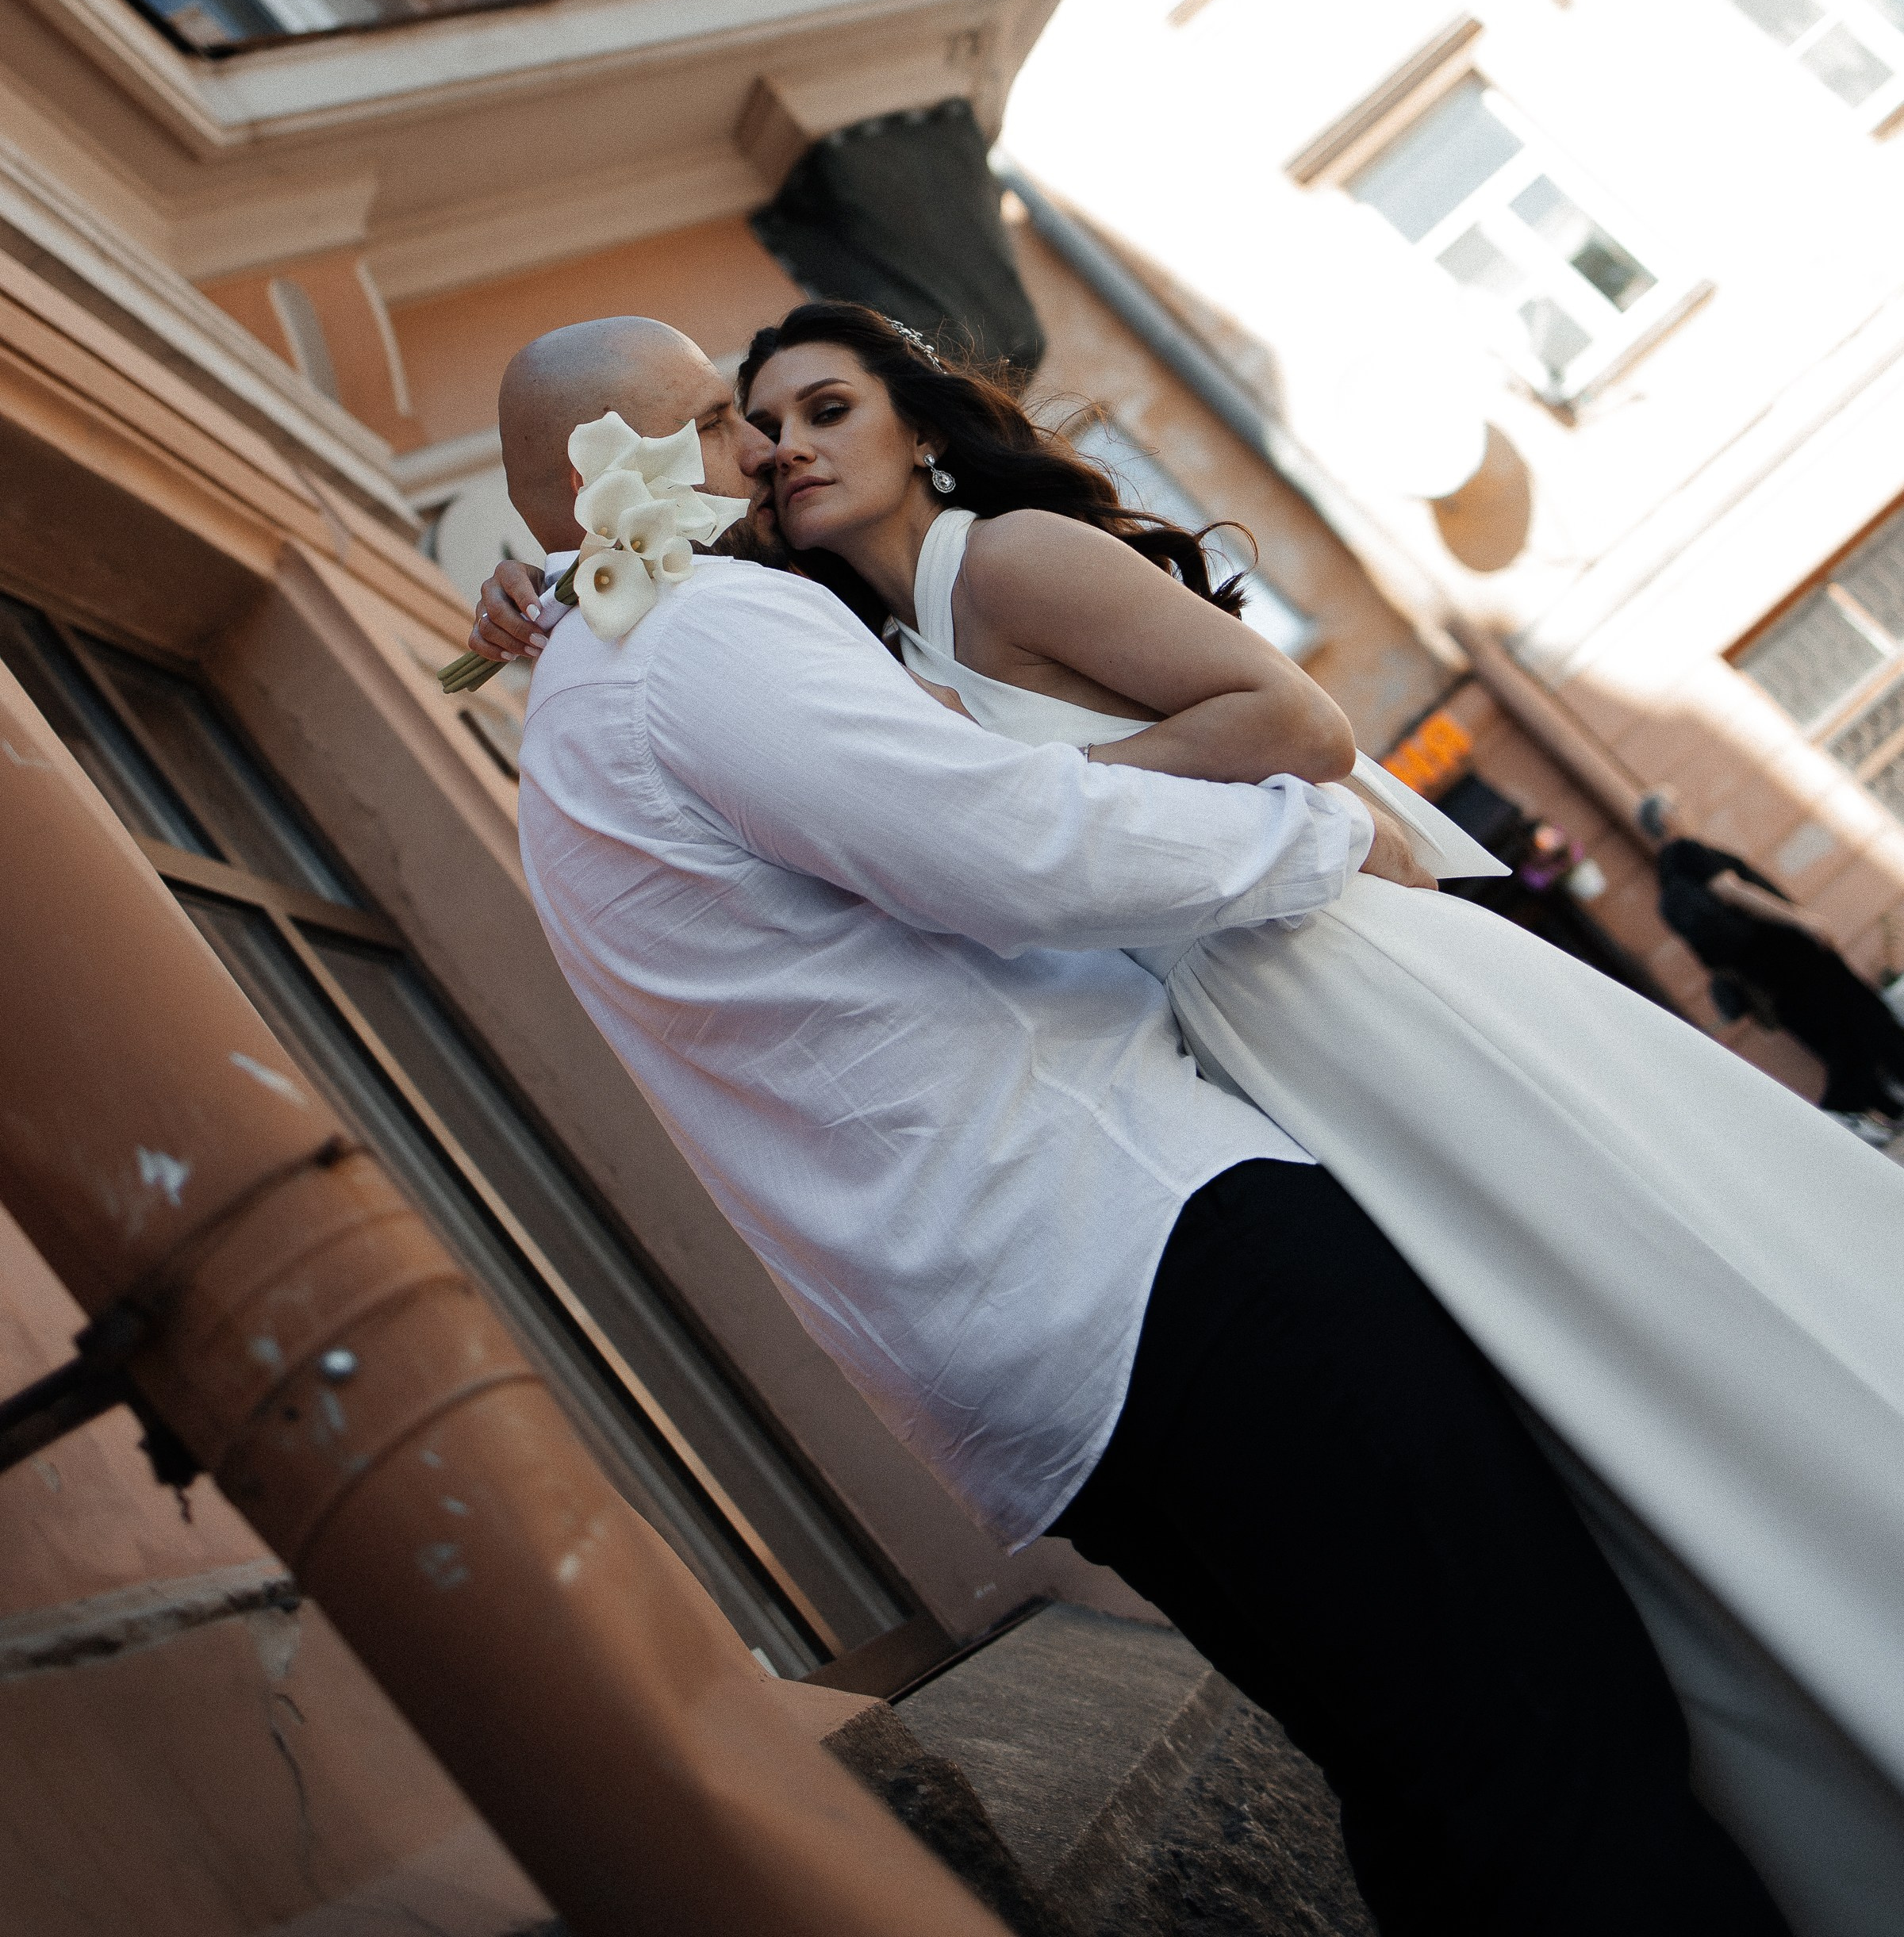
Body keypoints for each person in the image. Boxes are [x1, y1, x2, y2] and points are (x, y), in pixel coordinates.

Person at [478, 313, 1815, 1937]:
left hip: (1028, 1349)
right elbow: (998, 846)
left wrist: (545, 597)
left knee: (1435, 1773)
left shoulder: (577, 721)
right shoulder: (694, 637)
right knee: (1552, 1741)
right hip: (1154, 1255)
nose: (760, 453)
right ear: (612, 470)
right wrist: (1312, 847)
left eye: (801, 415)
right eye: (719, 421)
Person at [1645, 807, 1904, 1123]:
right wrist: (1800, 920)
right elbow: (1732, 890)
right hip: (1787, 951)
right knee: (1864, 1014)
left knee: (1839, 1037)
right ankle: (1844, 1113)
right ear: (1666, 819)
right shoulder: (1686, 850)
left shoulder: (1667, 877)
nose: (1683, 812)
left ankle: (1877, 1108)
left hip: (1763, 971)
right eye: (1674, 807)